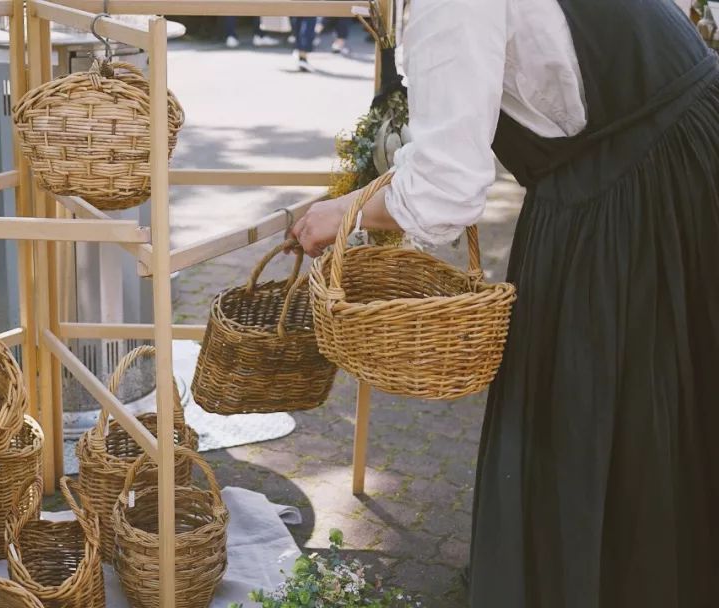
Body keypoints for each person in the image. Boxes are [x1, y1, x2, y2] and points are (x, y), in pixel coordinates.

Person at [290, 0, 719, 605]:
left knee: (611, 412)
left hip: (635, 192)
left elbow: (447, 188)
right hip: (681, 146)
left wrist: (345, 212)